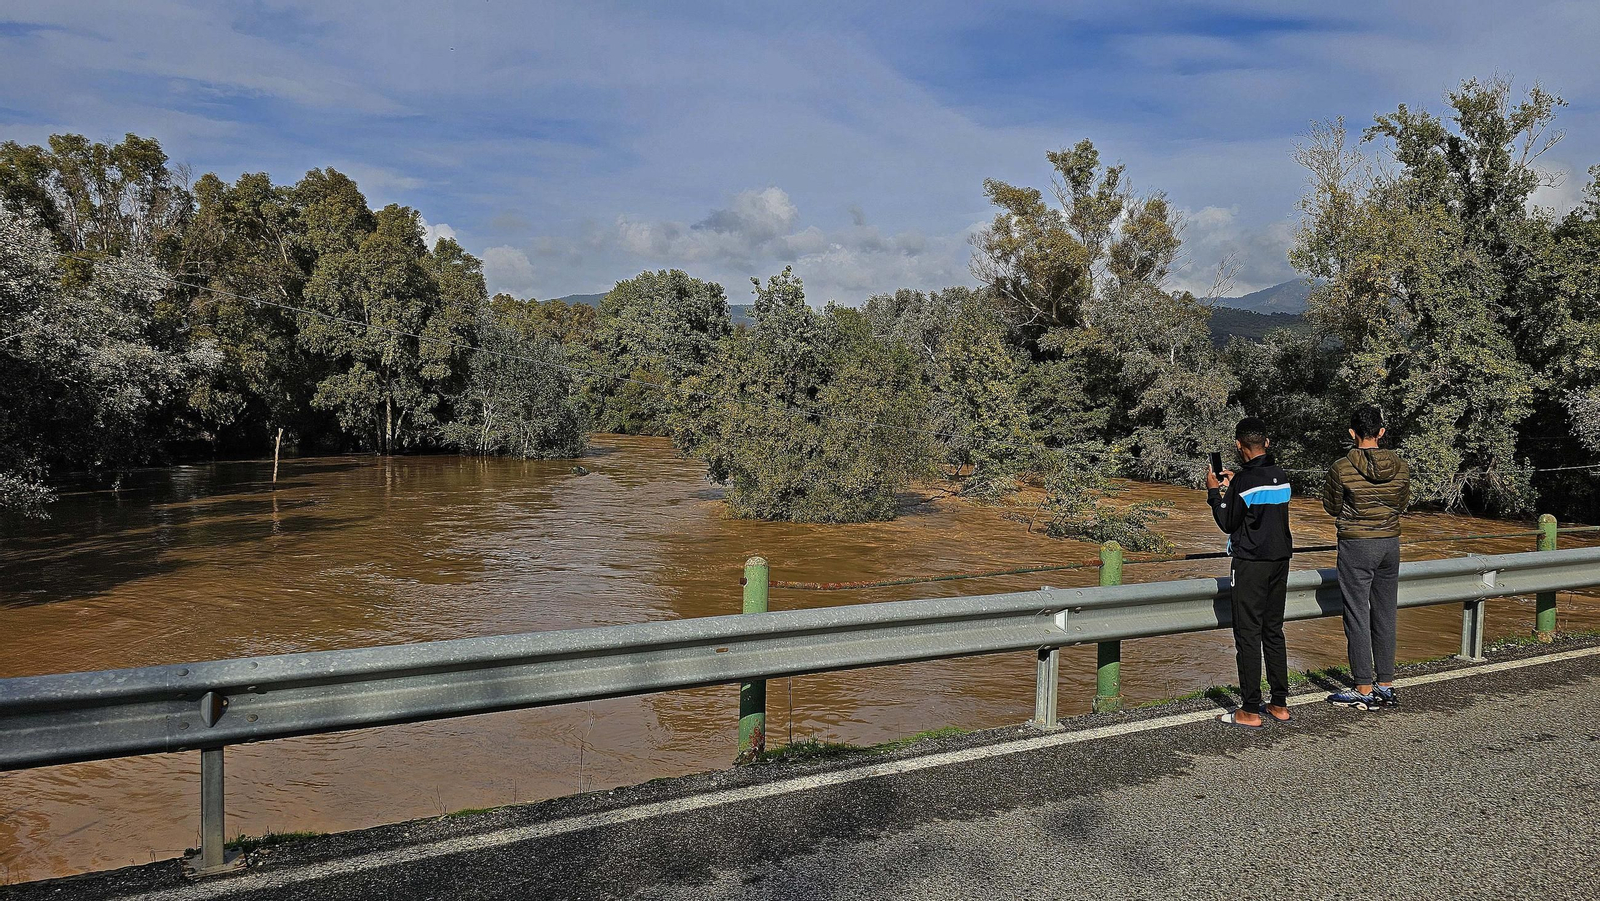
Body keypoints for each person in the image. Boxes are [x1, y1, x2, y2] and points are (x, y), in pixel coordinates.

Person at [1322, 405, 1411, 710]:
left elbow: (1332, 507)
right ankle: (1385, 685)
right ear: (1381, 432)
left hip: (1357, 544)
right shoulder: (1400, 465)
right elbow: (1401, 503)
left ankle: (1362, 687)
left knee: (1357, 615)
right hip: (1389, 543)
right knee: (1386, 613)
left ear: (1352, 433)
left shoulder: (1341, 467)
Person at [1207, 416, 1294, 728]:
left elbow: (1228, 522)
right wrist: (1233, 487)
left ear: (1238, 445)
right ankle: (1280, 703)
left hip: (1251, 564)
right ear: (1266, 443)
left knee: (1247, 634)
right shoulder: (1280, 475)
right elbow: (1261, 508)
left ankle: (1250, 709)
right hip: (1280, 560)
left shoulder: (1244, 481)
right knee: (1273, 630)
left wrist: (1214, 493)